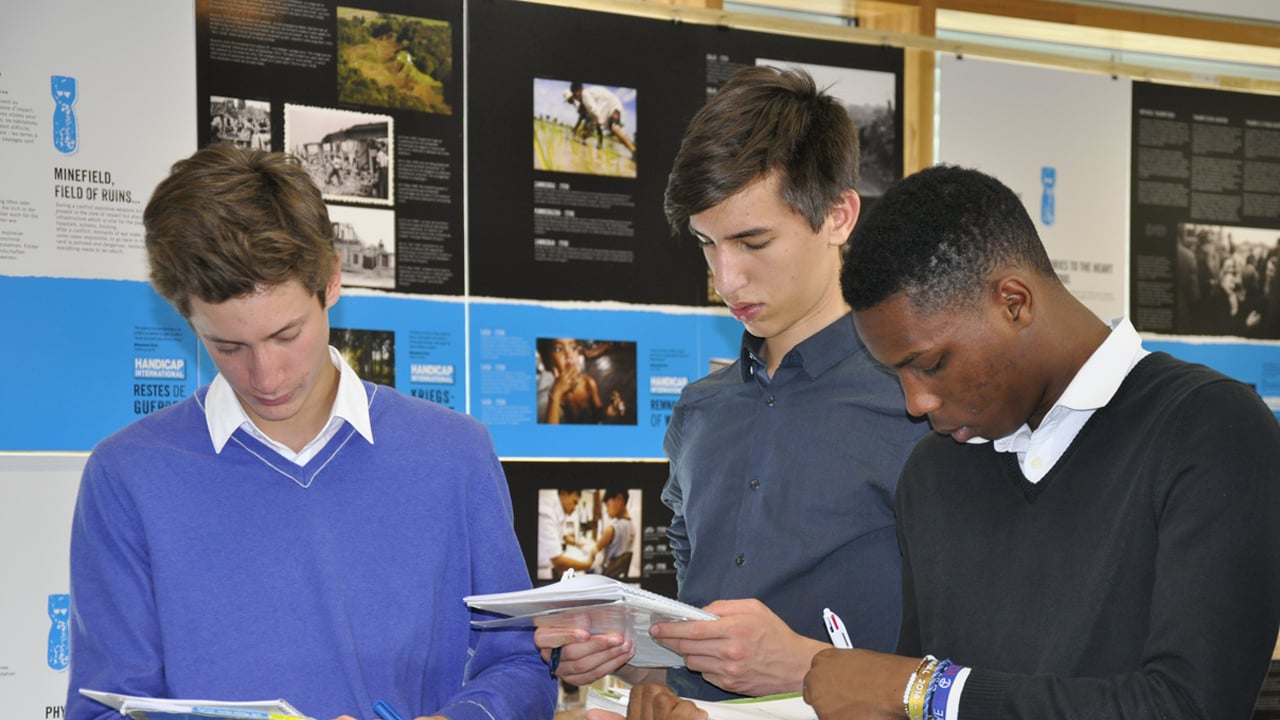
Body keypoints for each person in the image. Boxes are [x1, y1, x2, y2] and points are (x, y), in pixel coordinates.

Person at [66, 143, 556, 720]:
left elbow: (521, 667)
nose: (266, 376)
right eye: (228, 346)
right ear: (186, 319)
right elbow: (102, 709)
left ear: (332, 282)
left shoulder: (453, 453)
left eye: (286, 335)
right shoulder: (127, 476)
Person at [804, 164, 1280, 719]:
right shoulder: (934, 473)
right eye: (897, 375)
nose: (916, 402)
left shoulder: (1211, 429)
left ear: (1014, 302)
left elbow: (1189, 707)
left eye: (930, 364)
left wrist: (928, 690)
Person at [536, 64, 927, 702]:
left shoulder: (920, 403)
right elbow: (700, 663)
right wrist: (623, 652)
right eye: (707, 244)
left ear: (838, 216)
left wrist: (808, 665)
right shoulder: (700, 413)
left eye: (753, 242)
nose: (725, 280)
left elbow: (978, 662)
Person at [537, 337, 627, 424]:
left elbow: (598, 414)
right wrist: (556, 393)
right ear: (547, 361)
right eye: (558, 349)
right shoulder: (556, 393)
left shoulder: (588, 383)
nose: (569, 355)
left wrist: (607, 410)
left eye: (573, 348)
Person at [538, 486, 597, 579]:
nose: (575, 508)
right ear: (564, 494)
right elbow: (557, 561)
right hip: (543, 570)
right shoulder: (547, 513)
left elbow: (564, 536)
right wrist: (587, 565)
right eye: (574, 502)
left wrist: (578, 544)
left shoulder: (559, 512)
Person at [569, 81, 637, 157]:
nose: (575, 98)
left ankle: (634, 151)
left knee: (613, 127)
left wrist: (590, 128)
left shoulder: (585, 95)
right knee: (614, 127)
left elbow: (594, 112)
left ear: (578, 91)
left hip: (611, 105)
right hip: (611, 104)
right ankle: (633, 150)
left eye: (574, 95)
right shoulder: (587, 93)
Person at [595, 488, 636, 579]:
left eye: (607, 505)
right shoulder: (632, 526)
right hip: (617, 573)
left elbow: (594, 551)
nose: (607, 510)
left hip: (605, 575)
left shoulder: (611, 529)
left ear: (619, 499)